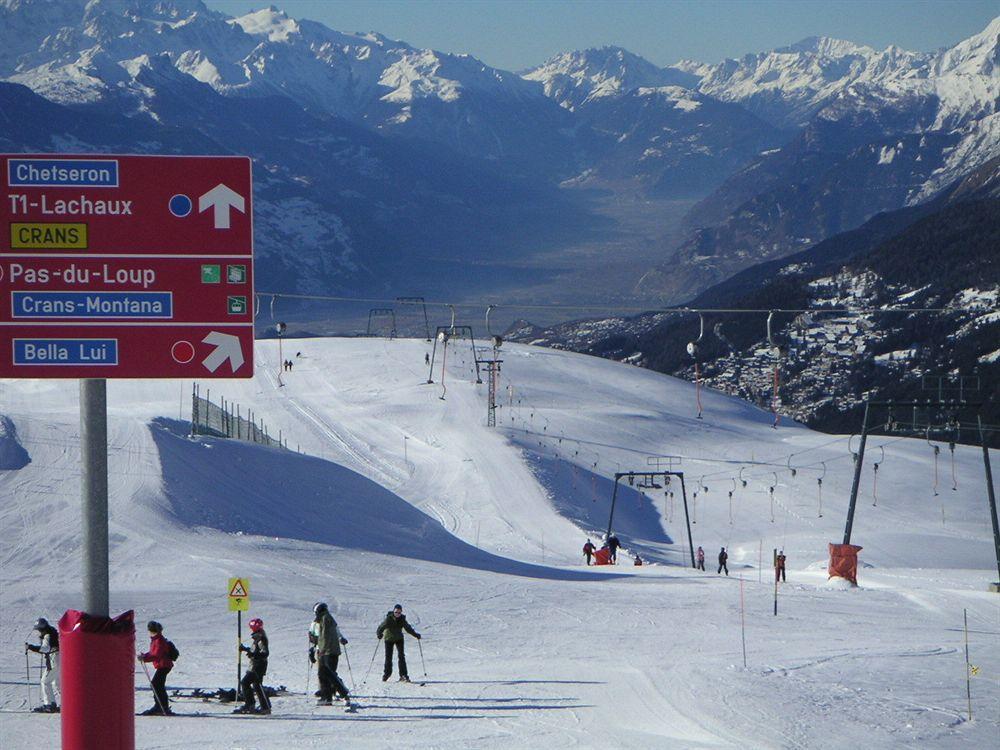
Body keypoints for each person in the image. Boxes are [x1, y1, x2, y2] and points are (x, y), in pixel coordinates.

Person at [313, 603, 351, 707]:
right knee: (325, 674)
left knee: (328, 675)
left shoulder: (325, 619)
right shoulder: (327, 618)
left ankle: (343, 694)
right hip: (330, 651)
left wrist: (322, 649)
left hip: (328, 651)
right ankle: (327, 697)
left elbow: (325, 636)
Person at [377, 604, 421, 682]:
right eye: (396, 612)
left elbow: (408, 628)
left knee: (401, 656)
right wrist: (379, 634)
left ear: (401, 613)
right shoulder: (388, 619)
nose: (397, 614)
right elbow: (381, 627)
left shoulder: (402, 619)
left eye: (399, 612)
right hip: (389, 639)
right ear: (393, 611)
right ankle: (387, 674)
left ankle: (403, 675)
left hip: (399, 639)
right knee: (388, 657)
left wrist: (416, 635)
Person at [235, 618, 270, 714]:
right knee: (256, 685)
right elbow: (255, 651)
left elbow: (265, 653)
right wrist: (246, 649)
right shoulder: (259, 637)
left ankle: (251, 704)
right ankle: (264, 706)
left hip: (257, 666)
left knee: (245, 682)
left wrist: (253, 655)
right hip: (256, 665)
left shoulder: (261, 638)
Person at [138, 621, 174, 715]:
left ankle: (160, 706)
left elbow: (156, 655)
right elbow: (153, 653)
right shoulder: (156, 639)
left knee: (156, 685)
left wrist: (145, 658)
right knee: (157, 685)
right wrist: (145, 656)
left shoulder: (158, 641)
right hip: (163, 665)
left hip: (164, 665)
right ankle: (161, 706)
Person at [25, 617, 59, 713]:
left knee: (45, 681)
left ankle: (49, 705)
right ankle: (67, 703)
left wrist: (31, 647)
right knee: (57, 683)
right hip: (61, 659)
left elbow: (45, 648)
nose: (39, 633)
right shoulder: (53, 632)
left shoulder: (48, 635)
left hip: (54, 659)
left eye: (38, 630)